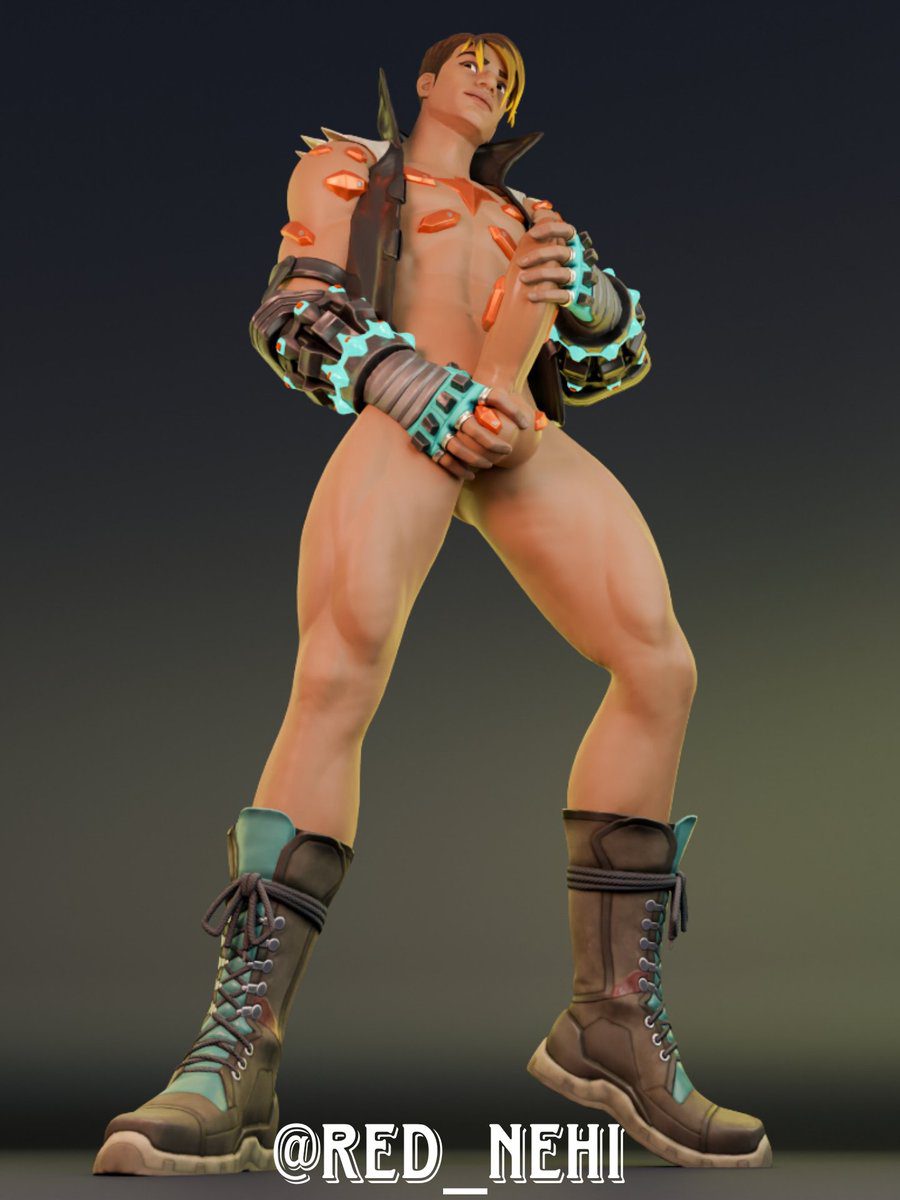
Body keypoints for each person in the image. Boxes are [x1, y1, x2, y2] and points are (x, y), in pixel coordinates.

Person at [93, 31, 771, 1175]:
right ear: (424, 79)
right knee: (338, 669)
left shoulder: (529, 218)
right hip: (412, 412)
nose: (488, 78)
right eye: (470, 60)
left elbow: (612, 363)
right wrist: (412, 381)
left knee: (661, 667)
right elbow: (294, 311)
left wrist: (589, 294)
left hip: (517, 428)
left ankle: (608, 1028)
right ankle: (235, 1059)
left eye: (505, 75)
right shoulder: (350, 171)